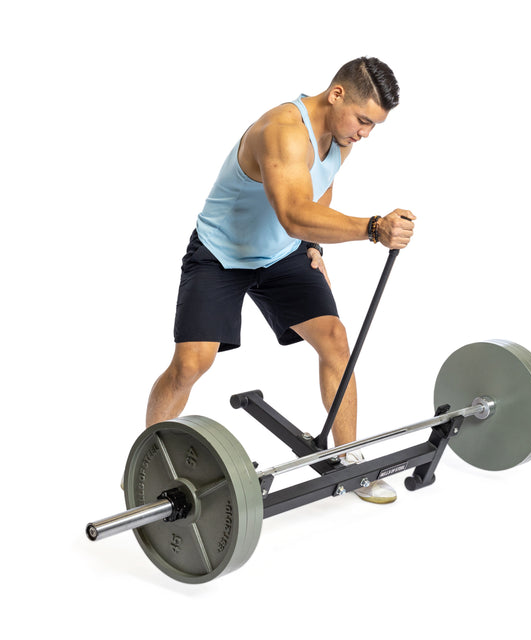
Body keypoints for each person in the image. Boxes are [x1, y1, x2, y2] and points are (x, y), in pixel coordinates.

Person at [146, 57, 415, 503]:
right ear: (336, 95)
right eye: (364, 120)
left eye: (374, 126)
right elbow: (292, 213)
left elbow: (317, 193)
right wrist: (371, 228)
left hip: (282, 253)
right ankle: (146, 462)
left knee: (334, 338)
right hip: (221, 254)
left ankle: (350, 458)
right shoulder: (283, 129)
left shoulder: (342, 138)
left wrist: (316, 245)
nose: (365, 133)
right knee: (191, 365)